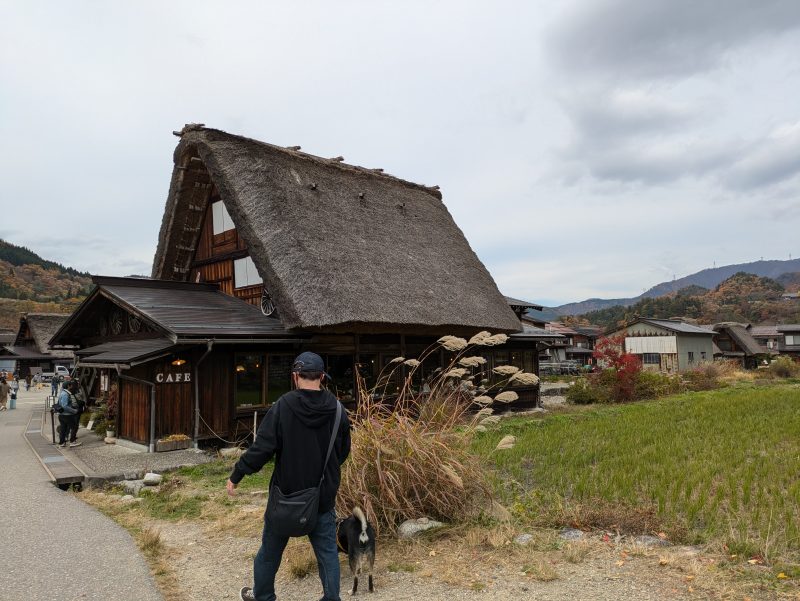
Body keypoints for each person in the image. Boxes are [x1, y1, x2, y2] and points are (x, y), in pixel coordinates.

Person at [227, 352, 351, 601]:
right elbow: (343, 452)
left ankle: (263, 596)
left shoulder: (283, 406)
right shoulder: (338, 410)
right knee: (327, 553)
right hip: (321, 496)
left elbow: (262, 449)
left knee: (270, 553)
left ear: (295, 376)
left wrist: (237, 474)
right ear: (322, 377)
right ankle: (331, 598)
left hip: (286, 495)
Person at [56, 380, 82, 447]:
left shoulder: (62, 393)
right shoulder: (66, 394)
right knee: (74, 427)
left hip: (62, 415)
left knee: (63, 429)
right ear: (68, 386)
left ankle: (62, 443)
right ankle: (72, 441)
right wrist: (74, 411)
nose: (72, 386)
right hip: (67, 415)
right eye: (71, 385)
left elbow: (59, 403)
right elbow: (64, 406)